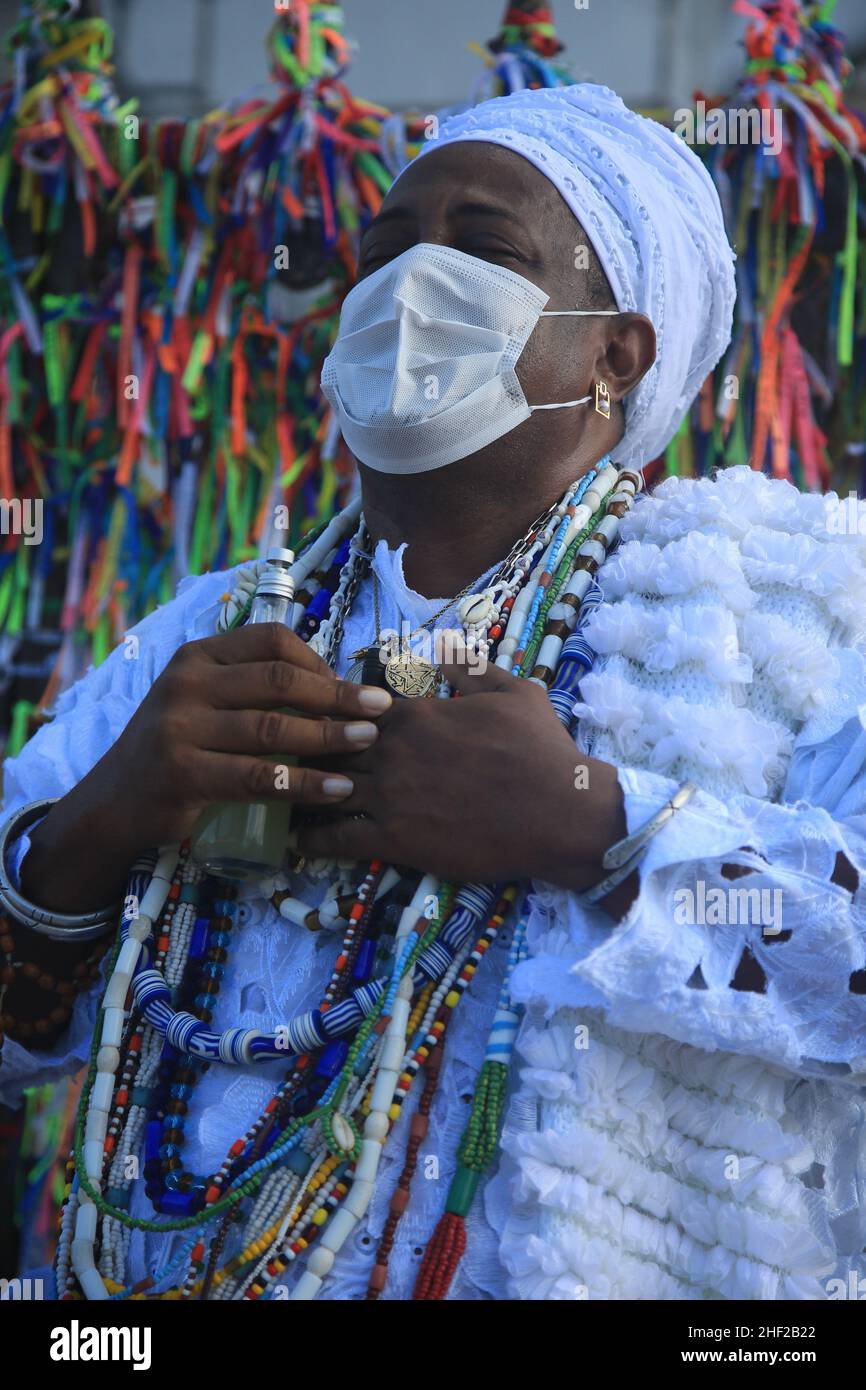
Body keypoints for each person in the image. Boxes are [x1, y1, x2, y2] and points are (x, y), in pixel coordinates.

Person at [2, 82, 865, 1302]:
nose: (409, 283)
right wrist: (94, 826)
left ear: (616, 351)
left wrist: (597, 826)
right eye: (383, 249)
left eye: (483, 249)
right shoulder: (206, 631)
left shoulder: (792, 610)